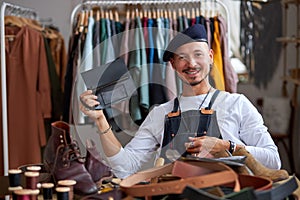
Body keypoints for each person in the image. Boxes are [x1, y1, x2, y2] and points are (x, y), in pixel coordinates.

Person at [79, 24, 284, 180]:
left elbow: (273, 161)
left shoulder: (236, 104)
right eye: (182, 58)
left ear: (211, 57)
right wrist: (100, 120)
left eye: (198, 55)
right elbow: (124, 168)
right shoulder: (160, 113)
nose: (191, 64)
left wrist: (228, 146)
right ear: (174, 65)